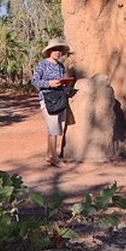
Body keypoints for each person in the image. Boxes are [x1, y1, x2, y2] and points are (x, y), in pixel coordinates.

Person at [31, 38, 73, 167]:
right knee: (53, 128)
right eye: (54, 50)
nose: (57, 52)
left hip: (59, 97)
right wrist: (49, 83)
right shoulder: (43, 64)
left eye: (59, 50)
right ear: (49, 52)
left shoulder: (60, 66)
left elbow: (61, 81)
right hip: (48, 98)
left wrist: (66, 84)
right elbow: (34, 81)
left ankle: (49, 155)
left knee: (57, 127)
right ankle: (55, 158)